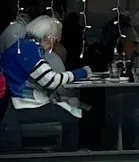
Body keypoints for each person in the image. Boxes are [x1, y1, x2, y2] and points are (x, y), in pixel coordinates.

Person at [0, 15, 90, 151]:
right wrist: (80, 73)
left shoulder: (20, 46)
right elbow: (51, 81)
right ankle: (67, 157)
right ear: (47, 37)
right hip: (27, 104)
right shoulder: (29, 51)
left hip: (15, 103)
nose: (55, 45)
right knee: (73, 116)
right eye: (56, 40)